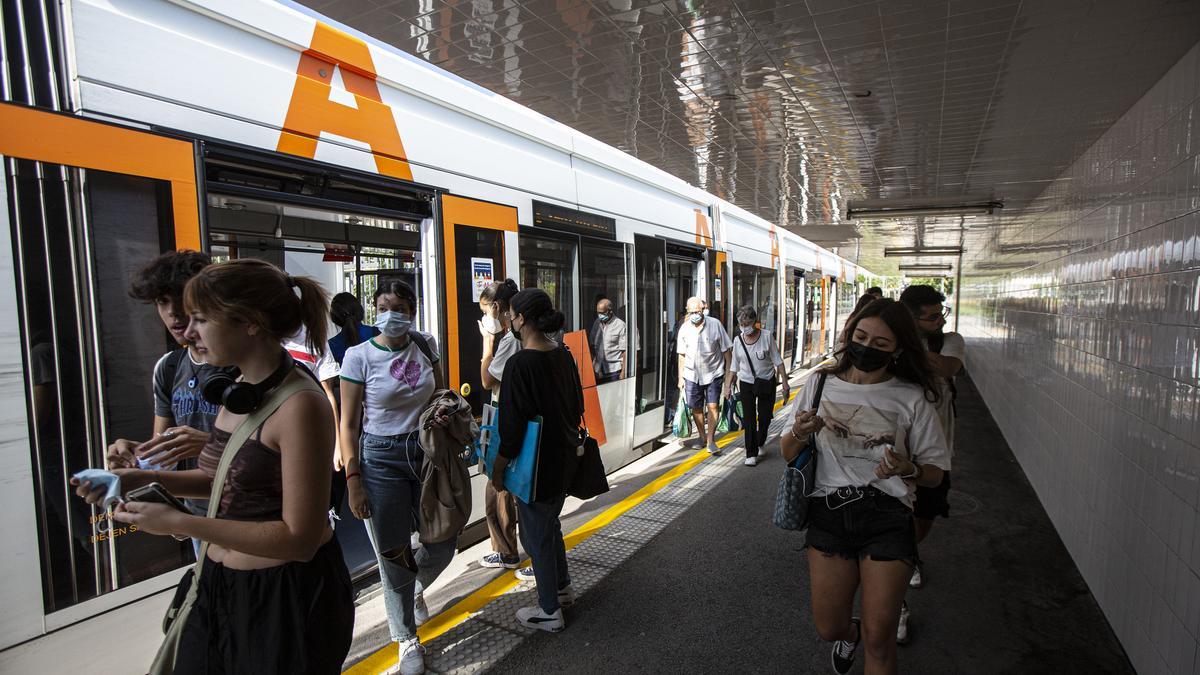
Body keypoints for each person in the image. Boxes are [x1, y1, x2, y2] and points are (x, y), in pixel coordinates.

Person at [74, 259, 354, 673]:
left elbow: (300, 538)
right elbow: (220, 480)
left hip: (282, 602)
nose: (188, 332)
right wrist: (138, 476)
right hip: (218, 587)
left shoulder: (300, 406)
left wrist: (179, 523)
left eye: (201, 319)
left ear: (251, 323)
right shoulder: (239, 391)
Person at [781, 298, 950, 675]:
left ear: (898, 350)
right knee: (829, 627)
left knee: (881, 637)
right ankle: (849, 634)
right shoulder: (820, 383)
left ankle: (866, 637)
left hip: (888, 517)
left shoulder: (911, 396)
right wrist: (798, 431)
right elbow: (787, 451)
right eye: (860, 336)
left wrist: (909, 469)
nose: (866, 348)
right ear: (849, 333)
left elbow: (935, 471)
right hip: (829, 513)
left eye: (881, 344)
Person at [339, 280, 455, 675]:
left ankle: (411, 589)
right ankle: (406, 639)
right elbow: (348, 422)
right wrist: (354, 478)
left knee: (443, 542)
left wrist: (446, 411)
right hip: (380, 459)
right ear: (374, 310)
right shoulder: (358, 357)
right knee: (393, 555)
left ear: (412, 310)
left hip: (426, 453)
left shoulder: (425, 345)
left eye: (400, 306)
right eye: (384, 306)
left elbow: (442, 395)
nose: (392, 313)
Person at [106, 250, 236, 554]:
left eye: (181, 298)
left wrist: (209, 442)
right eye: (162, 302)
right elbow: (162, 445)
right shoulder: (168, 367)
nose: (174, 313)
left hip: (243, 510)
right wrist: (136, 457)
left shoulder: (243, 365)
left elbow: (273, 454)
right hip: (196, 510)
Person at [492, 289, 583, 633]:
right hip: (562, 459)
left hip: (534, 468)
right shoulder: (563, 355)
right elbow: (577, 408)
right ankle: (562, 589)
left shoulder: (520, 364)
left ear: (524, 320)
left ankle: (549, 610)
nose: (510, 321)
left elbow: (511, 430)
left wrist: (498, 469)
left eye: (512, 315)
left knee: (536, 537)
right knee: (550, 526)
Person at [896, 284, 965, 639]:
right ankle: (897, 604)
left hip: (936, 452)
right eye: (932, 316)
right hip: (896, 452)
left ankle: (909, 553)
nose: (940, 321)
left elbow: (949, 367)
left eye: (941, 315)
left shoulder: (949, 341)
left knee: (923, 519)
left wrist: (907, 345)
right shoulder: (892, 342)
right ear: (911, 317)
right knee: (893, 528)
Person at [477, 279, 528, 577]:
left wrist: (487, 341)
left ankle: (508, 551)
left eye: (485, 311)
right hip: (503, 417)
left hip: (504, 417)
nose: (485, 319)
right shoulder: (515, 337)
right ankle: (502, 548)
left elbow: (486, 380)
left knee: (501, 485)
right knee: (494, 485)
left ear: (497, 308)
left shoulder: (510, 340)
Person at [317, 292, 379, 515]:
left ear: (334, 318)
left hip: (346, 412)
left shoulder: (332, 345)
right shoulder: (374, 334)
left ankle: (340, 509)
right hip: (375, 410)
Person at [724, 305, 789, 467]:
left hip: (766, 382)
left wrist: (786, 384)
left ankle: (760, 441)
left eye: (748, 323)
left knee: (765, 417)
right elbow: (734, 365)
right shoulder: (738, 340)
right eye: (742, 324)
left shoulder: (767, 337)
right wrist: (727, 385)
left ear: (755, 321)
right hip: (746, 382)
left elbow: (778, 361)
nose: (745, 328)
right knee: (749, 418)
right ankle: (750, 453)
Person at [676, 296, 732, 454]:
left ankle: (710, 440)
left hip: (713, 373)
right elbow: (681, 355)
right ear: (687, 311)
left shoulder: (715, 325)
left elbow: (727, 352)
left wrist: (728, 379)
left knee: (713, 406)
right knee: (696, 408)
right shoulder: (684, 329)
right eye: (692, 312)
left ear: (703, 310)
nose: (695, 314)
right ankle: (702, 436)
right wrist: (681, 378)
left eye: (698, 311)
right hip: (691, 375)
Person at [589, 297, 628, 384]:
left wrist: (623, 373)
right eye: (598, 313)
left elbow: (624, 352)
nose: (600, 315)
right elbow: (592, 344)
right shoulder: (597, 322)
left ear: (610, 311)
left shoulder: (620, 325)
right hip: (598, 368)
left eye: (602, 313)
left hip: (614, 369)